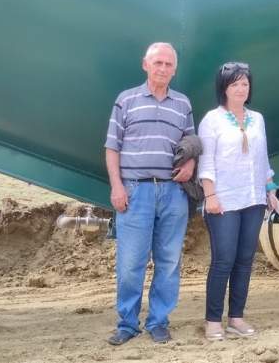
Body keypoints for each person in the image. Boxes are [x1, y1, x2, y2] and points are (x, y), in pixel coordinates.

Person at [104, 42, 196, 345]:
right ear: (146, 64)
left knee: (169, 262)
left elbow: (191, 143)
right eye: (158, 63)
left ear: (174, 69)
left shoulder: (182, 103)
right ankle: (127, 324)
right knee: (131, 263)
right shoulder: (126, 100)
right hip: (135, 191)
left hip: (173, 192)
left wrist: (190, 164)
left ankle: (158, 322)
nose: (163, 69)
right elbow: (112, 147)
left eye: (169, 64)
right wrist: (117, 186)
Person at [197, 62, 278, 342]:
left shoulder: (257, 119)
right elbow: (206, 162)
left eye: (245, 83)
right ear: (224, 88)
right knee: (223, 260)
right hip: (224, 201)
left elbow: (262, 159)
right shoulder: (212, 120)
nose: (241, 89)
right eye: (235, 84)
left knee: (244, 260)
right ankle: (212, 321)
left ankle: (236, 318)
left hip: (253, 199)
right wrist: (210, 195)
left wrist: (270, 189)